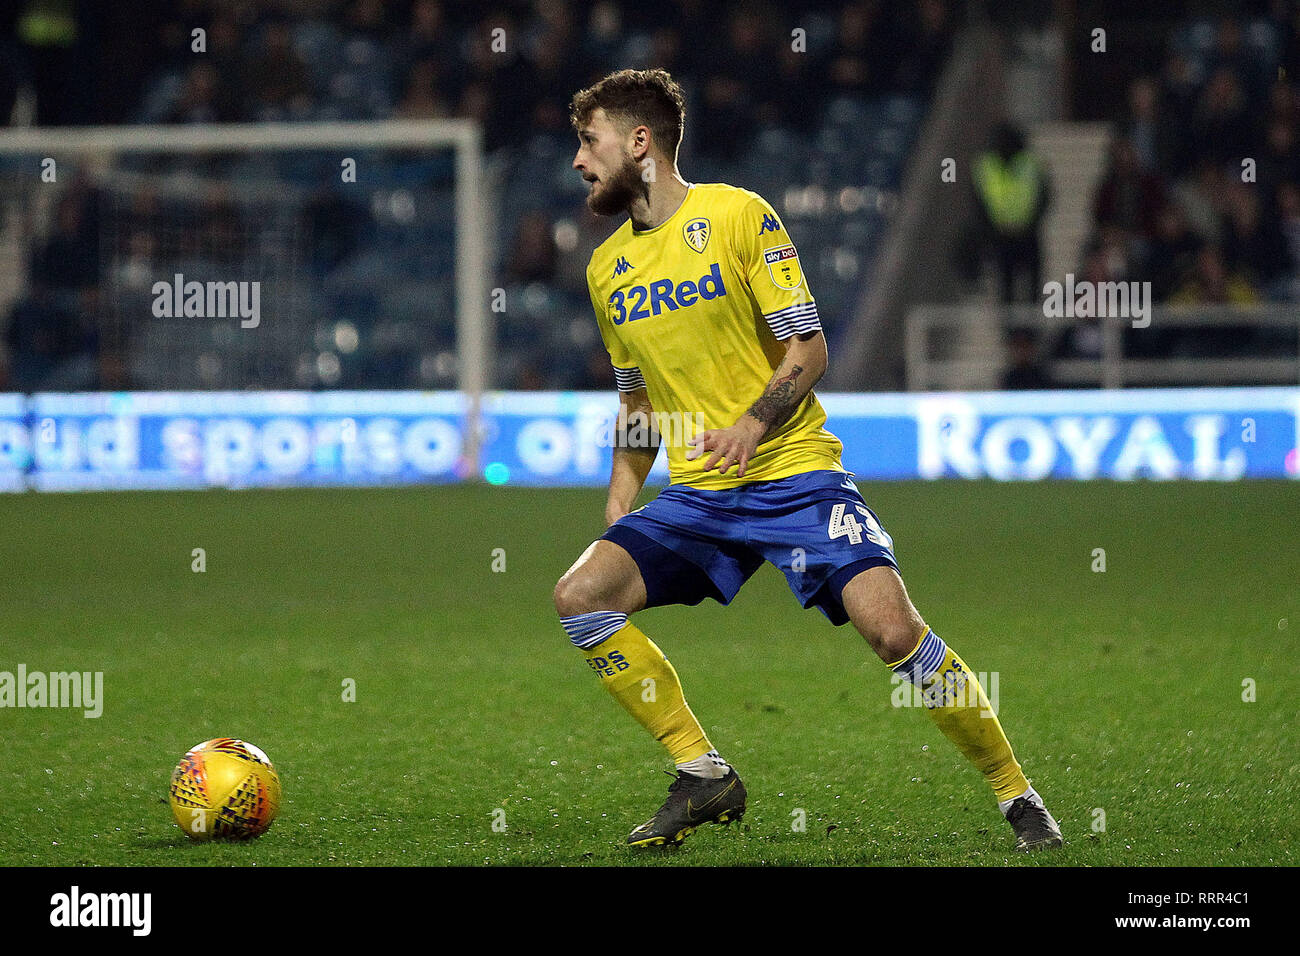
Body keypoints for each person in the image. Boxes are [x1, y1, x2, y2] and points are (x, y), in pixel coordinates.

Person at [556, 68, 1062, 852]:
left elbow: (808, 347)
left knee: (893, 634)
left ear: (640, 143)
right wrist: (623, 490)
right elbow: (637, 402)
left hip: (793, 473)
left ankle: (1016, 793)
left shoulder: (736, 216)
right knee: (582, 597)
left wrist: (753, 426)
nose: (580, 161)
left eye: (590, 142)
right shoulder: (606, 270)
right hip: (700, 493)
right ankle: (702, 774)